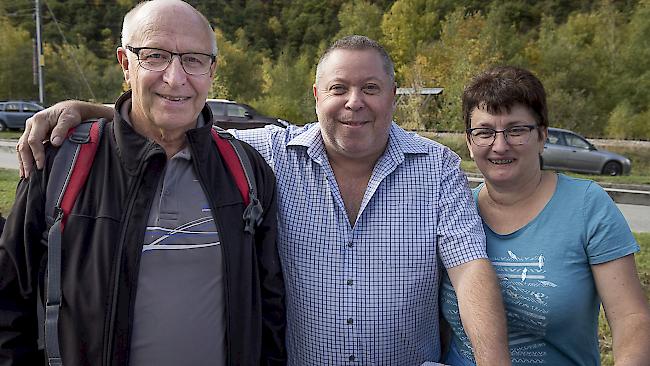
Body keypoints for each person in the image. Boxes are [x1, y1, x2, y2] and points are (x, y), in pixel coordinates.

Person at [16, 35, 511, 365]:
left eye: (371, 88)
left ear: (394, 97)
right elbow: (177, 120)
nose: (354, 102)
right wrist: (92, 111)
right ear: (316, 95)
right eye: (339, 88)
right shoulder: (271, 153)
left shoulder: (437, 167)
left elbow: (470, 268)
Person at [0, 1, 286, 365]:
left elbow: (270, 307)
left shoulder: (246, 168)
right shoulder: (59, 160)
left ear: (212, 70)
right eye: (156, 56)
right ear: (125, 64)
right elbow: (9, 303)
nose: (175, 77)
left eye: (194, 59)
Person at [439, 65, 650, 365]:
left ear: (542, 135)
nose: (500, 145)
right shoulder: (454, 211)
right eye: (484, 132)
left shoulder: (587, 206)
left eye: (516, 130)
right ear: (470, 143)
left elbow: (631, 317)